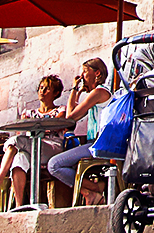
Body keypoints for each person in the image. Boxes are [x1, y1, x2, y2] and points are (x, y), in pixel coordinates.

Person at [0, 75, 66, 210]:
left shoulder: (60, 110)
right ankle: (19, 206)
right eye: (41, 88)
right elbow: (20, 132)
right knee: (19, 158)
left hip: (52, 147)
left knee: (16, 141)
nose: (42, 91)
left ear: (56, 93)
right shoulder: (28, 112)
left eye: (47, 89)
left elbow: (57, 125)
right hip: (31, 147)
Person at [45, 58, 116, 203]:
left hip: (100, 145)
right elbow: (71, 120)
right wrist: (75, 92)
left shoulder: (99, 92)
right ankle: (89, 192)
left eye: (85, 71)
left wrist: (75, 90)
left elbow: (70, 117)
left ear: (97, 73)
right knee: (64, 164)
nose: (82, 76)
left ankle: (96, 188)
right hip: (95, 144)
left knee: (54, 165)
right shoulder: (95, 94)